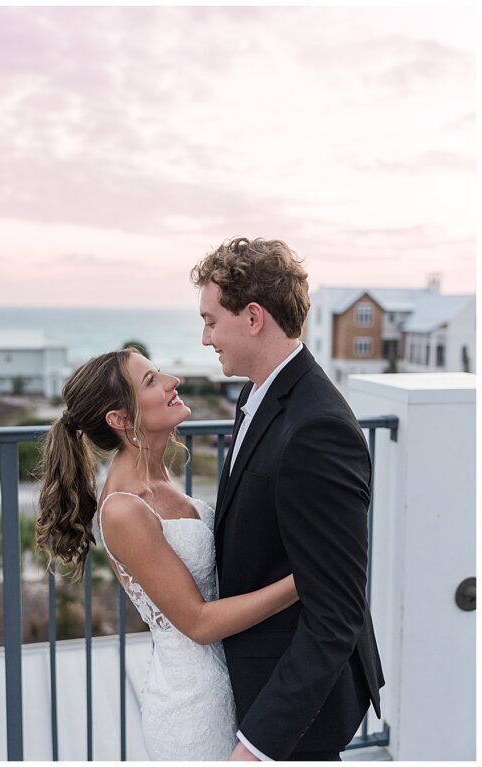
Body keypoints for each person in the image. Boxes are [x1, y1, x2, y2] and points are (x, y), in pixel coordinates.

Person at [36, 347, 298, 760]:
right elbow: (197, 622)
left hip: (237, 687)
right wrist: (302, 581)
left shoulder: (159, 475)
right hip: (194, 711)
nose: (172, 382)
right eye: (152, 381)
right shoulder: (124, 507)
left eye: (159, 374)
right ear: (120, 420)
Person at [193, 237, 383, 761]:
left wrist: (259, 746)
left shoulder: (317, 427)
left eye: (211, 321)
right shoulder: (257, 393)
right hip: (255, 679)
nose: (205, 337)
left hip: (297, 710)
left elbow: (336, 611)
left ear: (253, 317)